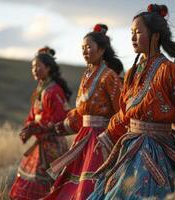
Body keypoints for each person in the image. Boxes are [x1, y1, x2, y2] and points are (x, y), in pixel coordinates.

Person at [88, 4, 175, 199]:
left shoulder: (169, 71)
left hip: (157, 151)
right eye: (131, 33)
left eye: (138, 32)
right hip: (131, 148)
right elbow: (126, 112)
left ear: (155, 36)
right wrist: (109, 134)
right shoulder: (132, 73)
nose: (133, 37)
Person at [43, 24, 123, 200]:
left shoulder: (110, 76)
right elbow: (80, 112)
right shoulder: (86, 75)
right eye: (82, 48)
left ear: (101, 50)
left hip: (101, 139)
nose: (85, 51)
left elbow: (121, 111)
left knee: (90, 186)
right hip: (84, 136)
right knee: (71, 185)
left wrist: (112, 136)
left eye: (88, 47)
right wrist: (62, 126)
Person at [9, 46, 71, 200]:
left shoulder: (54, 91)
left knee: (48, 184)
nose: (35, 70)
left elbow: (59, 118)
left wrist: (36, 127)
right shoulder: (40, 90)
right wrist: (28, 127)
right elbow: (33, 114)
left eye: (38, 66)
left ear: (48, 68)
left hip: (52, 144)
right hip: (41, 142)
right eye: (33, 67)